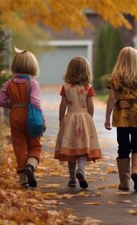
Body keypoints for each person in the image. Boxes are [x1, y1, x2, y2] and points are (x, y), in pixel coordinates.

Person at [0, 46, 46, 188]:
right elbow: (36, 102)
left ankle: (23, 179)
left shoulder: (8, 83)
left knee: (19, 146)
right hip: (31, 116)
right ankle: (30, 167)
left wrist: (13, 105)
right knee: (35, 145)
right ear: (32, 66)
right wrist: (41, 119)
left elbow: (1, 101)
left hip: (15, 115)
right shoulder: (33, 83)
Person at [105, 46, 137, 191]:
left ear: (120, 61)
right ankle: (136, 172)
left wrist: (107, 117)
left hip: (122, 117)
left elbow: (111, 98)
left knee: (123, 146)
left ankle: (124, 181)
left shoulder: (115, 78)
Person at [54, 56, 102, 189]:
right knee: (82, 148)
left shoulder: (66, 87)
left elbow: (62, 105)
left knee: (71, 149)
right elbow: (90, 105)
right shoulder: (88, 88)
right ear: (86, 71)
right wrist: (89, 118)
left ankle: (71, 179)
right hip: (84, 119)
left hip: (70, 119)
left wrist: (61, 119)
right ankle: (81, 170)